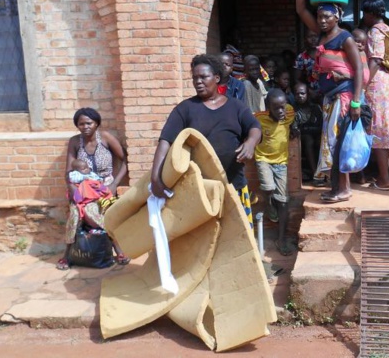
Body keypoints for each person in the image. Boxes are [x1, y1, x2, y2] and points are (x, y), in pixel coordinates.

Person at [150, 54, 261, 221]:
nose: (198, 81)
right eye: (195, 78)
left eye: (203, 77)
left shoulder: (236, 106)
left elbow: (255, 127)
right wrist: (155, 178)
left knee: (237, 241)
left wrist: (251, 142)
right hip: (200, 190)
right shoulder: (185, 109)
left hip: (233, 185)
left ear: (216, 78)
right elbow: (166, 140)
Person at [295, 0, 367, 203]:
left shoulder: (344, 38)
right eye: (320, 17)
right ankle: (337, 187)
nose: (322, 20)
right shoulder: (322, 36)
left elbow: (358, 70)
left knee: (338, 142)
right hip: (330, 97)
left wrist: (357, 102)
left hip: (345, 96)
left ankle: (344, 189)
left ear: (337, 17)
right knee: (333, 142)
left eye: (327, 17)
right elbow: (300, 8)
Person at [58, 107, 129, 270]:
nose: (85, 127)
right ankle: (67, 254)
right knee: (75, 212)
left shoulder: (106, 138)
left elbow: (126, 160)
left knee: (99, 212)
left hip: (105, 187)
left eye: (89, 123)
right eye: (81, 124)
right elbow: (68, 171)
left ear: (97, 123)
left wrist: (114, 184)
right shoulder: (75, 142)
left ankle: (118, 249)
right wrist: (72, 190)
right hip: (83, 187)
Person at [363, 0, 389, 191]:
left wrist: (363, 84)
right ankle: (382, 176)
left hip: (379, 84)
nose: (363, 18)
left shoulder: (375, 32)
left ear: (371, 14)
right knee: (387, 131)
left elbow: (376, 59)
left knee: (378, 131)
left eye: (365, 14)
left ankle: (385, 179)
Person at [255, 89, 298, 256]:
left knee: (284, 201)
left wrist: (294, 128)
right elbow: (249, 126)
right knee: (268, 188)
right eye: (276, 108)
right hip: (263, 159)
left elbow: (293, 120)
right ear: (268, 108)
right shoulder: (259, 118)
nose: (281, 111)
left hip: (281, 163)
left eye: (282, 107)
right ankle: (268, 204)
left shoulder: (289, 113)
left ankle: (282, 239)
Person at [293, 82, 323, 183]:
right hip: (303, 138)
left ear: (307, 94)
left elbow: (321, 127)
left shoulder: (315, 108)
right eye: (297, 94)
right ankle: (315, 173)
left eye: (302, 93)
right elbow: (295, 129)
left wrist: (306, 129)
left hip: (317, 135)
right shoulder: (293, 110)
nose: (300, 96)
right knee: (308, 139)